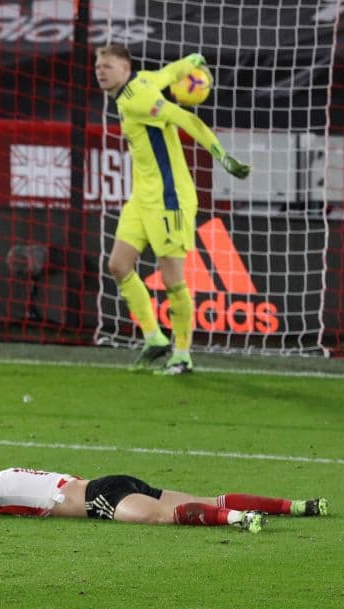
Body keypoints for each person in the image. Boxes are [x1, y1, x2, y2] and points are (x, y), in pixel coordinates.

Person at [95, 44, 251, 375]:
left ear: (125, 69)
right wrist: (193, 60)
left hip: (170, 199)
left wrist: (221, 155)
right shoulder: (142, 81)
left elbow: (185, 117)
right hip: (142, 198)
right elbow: (169, 73)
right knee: (119, 265)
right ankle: (154, 339)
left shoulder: (139, 98)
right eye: (98, 66)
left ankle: (181, 354)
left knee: (172, 280)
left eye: (107, 66)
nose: (100, 71)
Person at [0, 464, 328, 532]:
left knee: (162, 516)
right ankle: (295, 506)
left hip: (99, 498)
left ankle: (240, 520)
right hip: (111, 481)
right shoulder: (14, 474)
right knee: (208, 498)